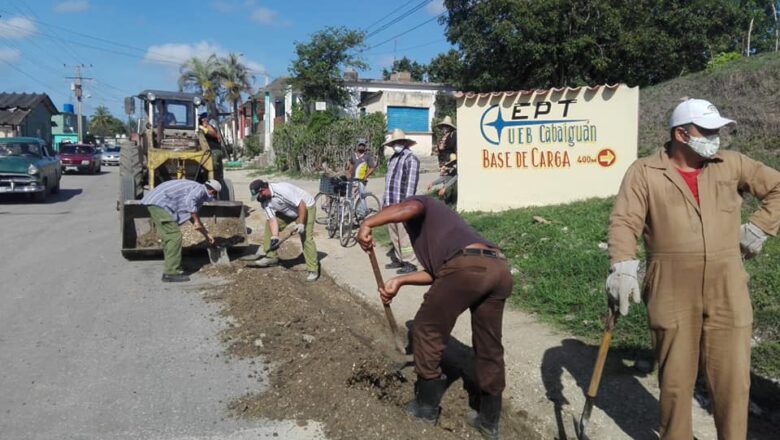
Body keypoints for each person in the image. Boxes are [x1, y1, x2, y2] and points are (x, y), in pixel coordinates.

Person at [607, 98, 780, 439]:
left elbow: (777, 187)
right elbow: (624, 221)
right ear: (681, 134)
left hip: (727, 283)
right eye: (709, 130)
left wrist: (760, 227)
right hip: (669, 285)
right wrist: (623, 265)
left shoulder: (730, 163)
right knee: (675, 381)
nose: (716, 137)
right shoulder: (644, 171)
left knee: (733, 380)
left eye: (718, 130)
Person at [357, 195, 512, 439]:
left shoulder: (421, 204)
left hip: (468, 266)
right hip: (499, 268)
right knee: (489, 345)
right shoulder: (438, 230)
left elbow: (457, 267)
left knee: (426, 328)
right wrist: (400, 281)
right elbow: (439, 273)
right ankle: (489, 420)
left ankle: (426, 407)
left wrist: (367, 223)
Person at [142, 179, 222, 282]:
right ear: (212, 191)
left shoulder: (195, 190)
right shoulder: (200, 190)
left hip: (155, 203)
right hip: (160, 204)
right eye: (214, 194)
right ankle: (170, 273)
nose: (212, 197)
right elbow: (190, 204)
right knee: (174, 236)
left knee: (169, 237)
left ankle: (172, 266)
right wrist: (197, 221)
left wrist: (206, 235)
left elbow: (193, 217)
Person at [247, 179, 319, 282]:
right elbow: (272, 219)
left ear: (264, 189)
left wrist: (301, 224)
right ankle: (271, 257)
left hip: (306, 207)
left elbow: (301, 205)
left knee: (306, 237)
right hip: (287, 211)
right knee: (269, 226)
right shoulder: (264, 201)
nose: (259, 197)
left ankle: (313, 269)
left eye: (260, 194)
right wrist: (275, 237)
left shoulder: (282, 190)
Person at [383, 128, 420, 274]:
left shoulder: (411, 159)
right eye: (394, 143)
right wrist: (385, 202)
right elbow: (388, 182)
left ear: (404, 143)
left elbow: (411, 185)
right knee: (394, 233)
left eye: (398, 142)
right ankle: (398, 259)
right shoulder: (393, 159)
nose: (396, 145)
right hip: (390, 203)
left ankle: (410, 262)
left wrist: (406, 206)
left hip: (401, 204)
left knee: (404, 234)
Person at [346, 138, 377, 218]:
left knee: (362, 197)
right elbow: (351, 165)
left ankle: (362, 214)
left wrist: (366, 176)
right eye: (360, 145)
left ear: (365, 146)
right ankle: (350, 213)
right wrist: (349, 173)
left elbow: (372, 168)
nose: (361, 147)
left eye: (363, 145)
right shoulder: (353, 156)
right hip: (353, 180)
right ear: (357, 146)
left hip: (362, 181)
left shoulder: (367, 157)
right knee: (351, 197)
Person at [199, 112, 224, 177]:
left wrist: (206, 128)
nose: (204, 121)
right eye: (203, 119)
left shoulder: (209, 126)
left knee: (214, 166)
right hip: (206, 151)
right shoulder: (199, 128)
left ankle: (217, 179)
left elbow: (216, 135)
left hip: (214, 150)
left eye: (205, 119)